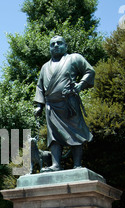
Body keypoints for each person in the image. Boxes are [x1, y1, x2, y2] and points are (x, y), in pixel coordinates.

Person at [34, 35, 95, 171]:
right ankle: (56, 165)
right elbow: (39, 87)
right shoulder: (45, 67)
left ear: (66, 46)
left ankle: (77, 164)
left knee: (76, 133)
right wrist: (39, 105)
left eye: (59, 43)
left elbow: (90, 71)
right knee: (54, 136)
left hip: (69, 103)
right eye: (53, 44)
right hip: (51, 107)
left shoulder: (74, 58)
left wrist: (81, 85)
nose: (56, 45)